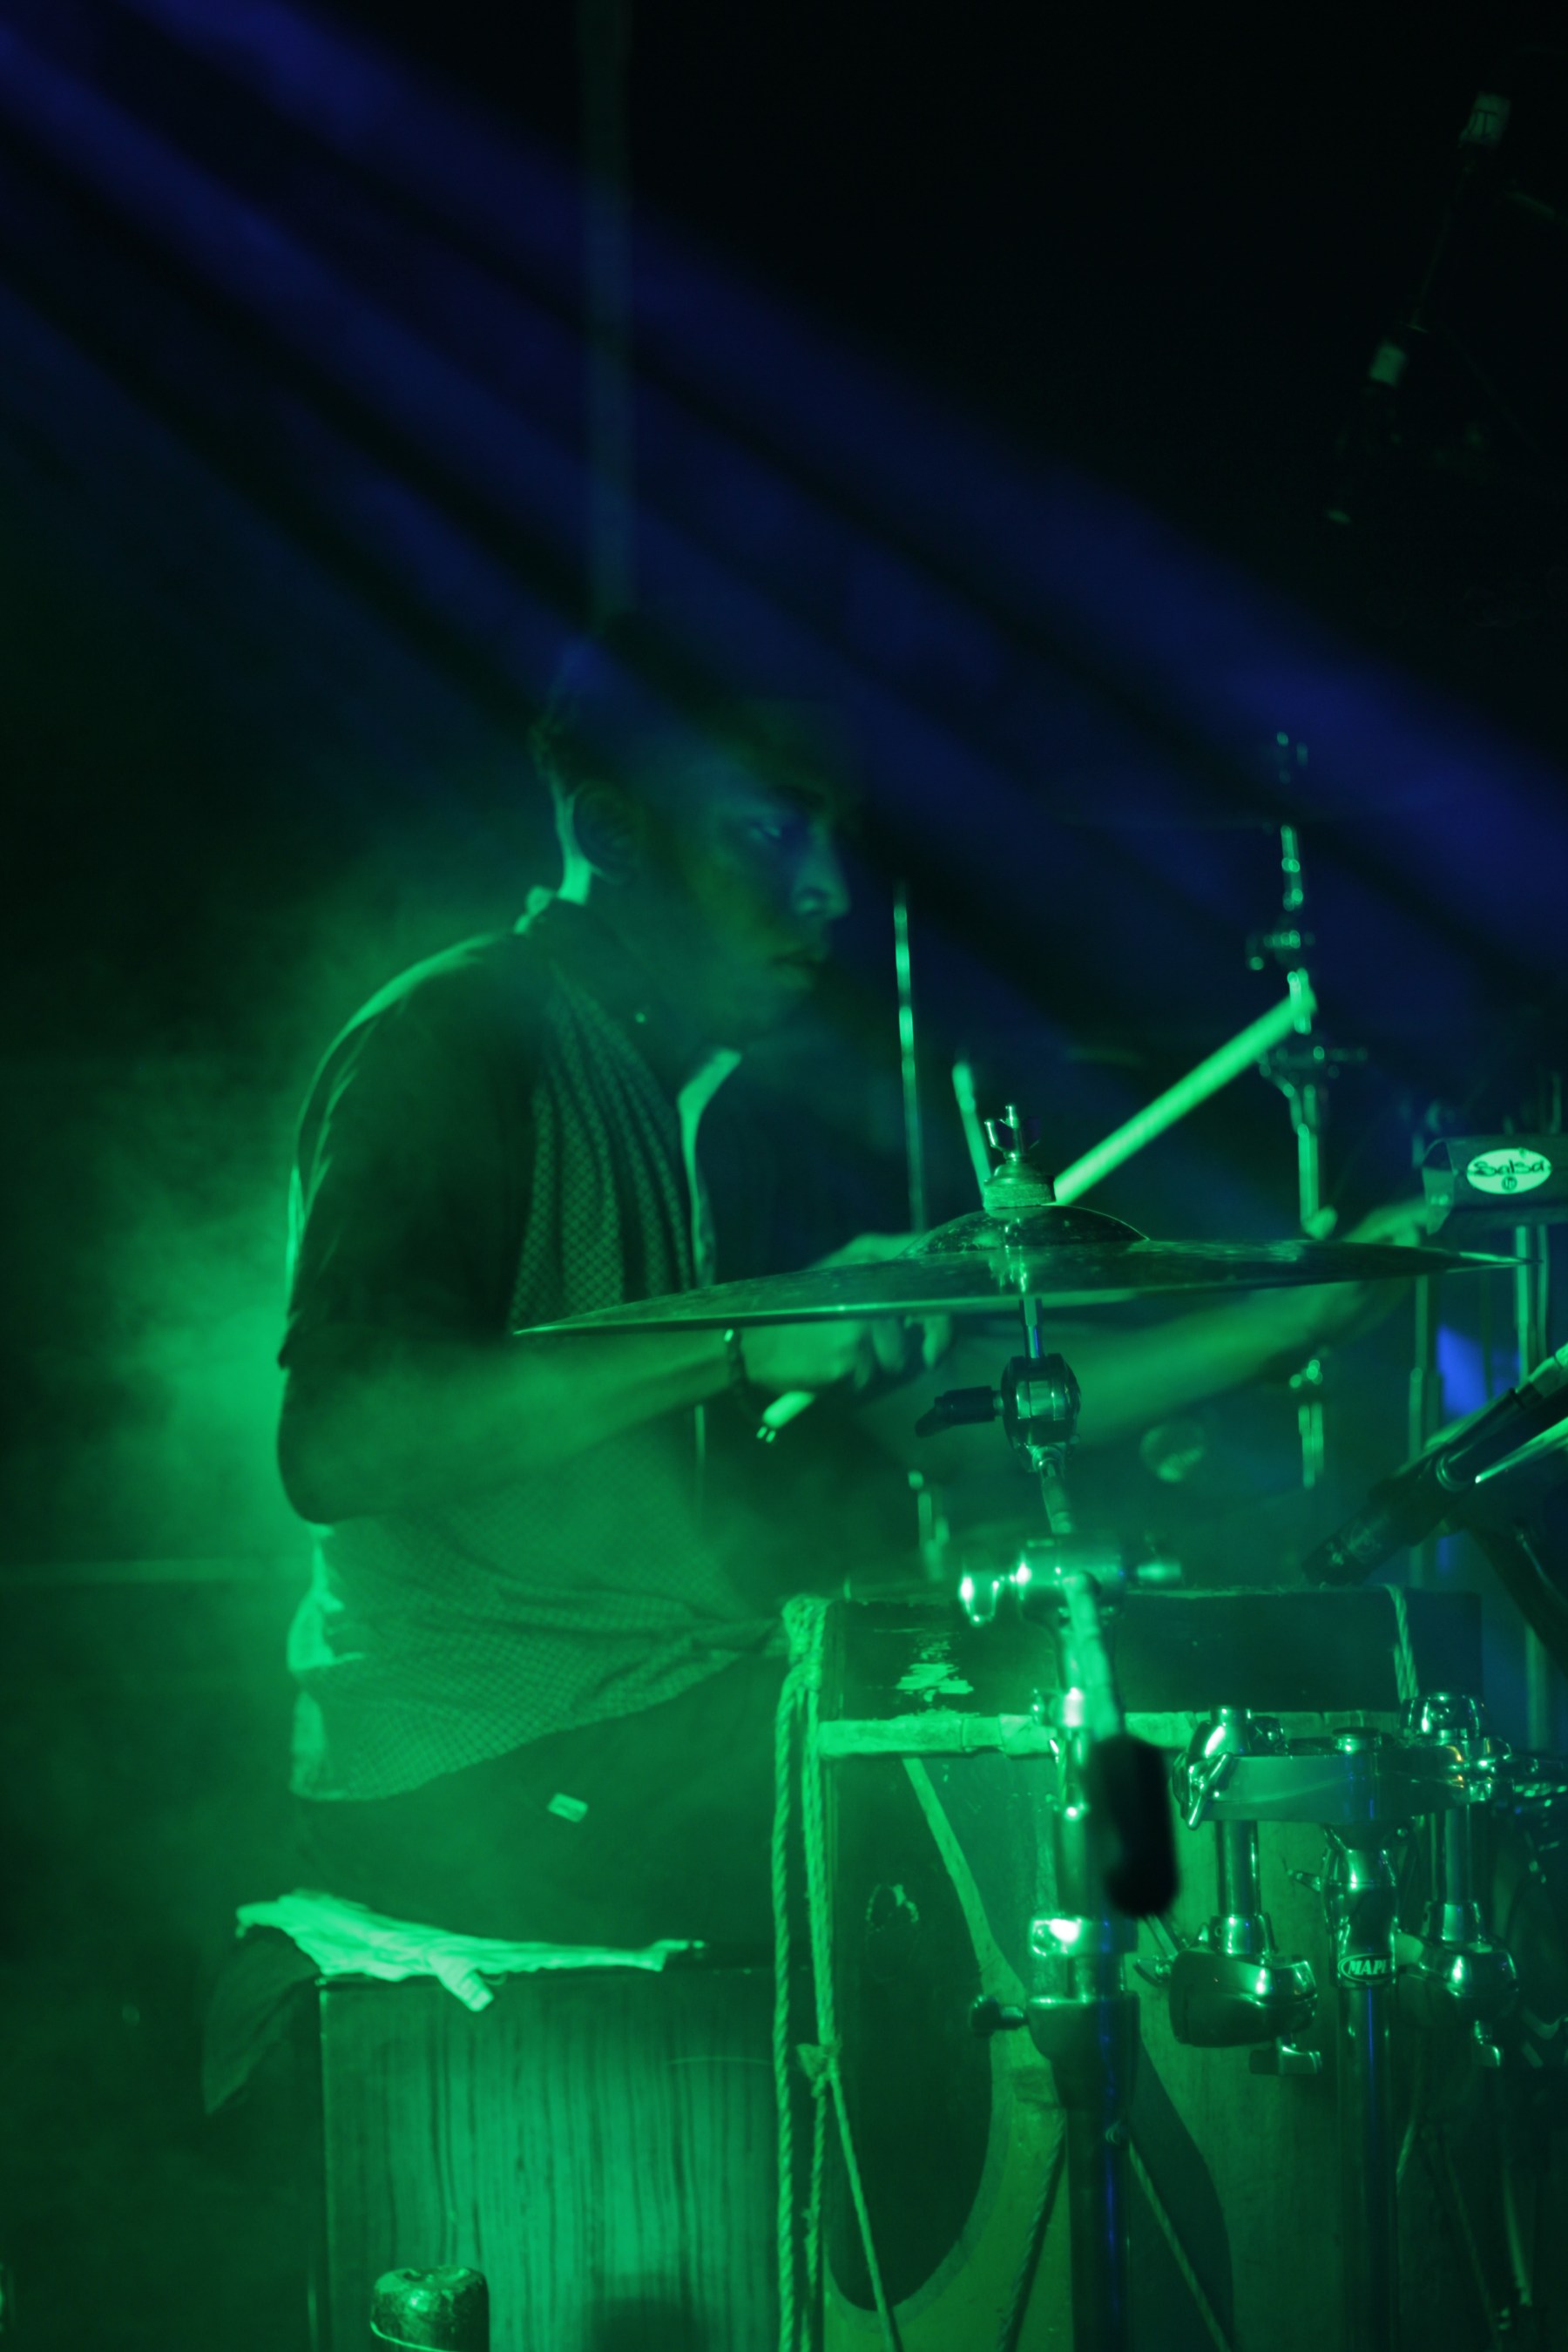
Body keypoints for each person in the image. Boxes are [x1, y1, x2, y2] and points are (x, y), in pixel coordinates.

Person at [274, 618, 1380, 1954]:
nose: (825, 893)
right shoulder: (454, 1037)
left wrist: (1295, 1317)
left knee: (1133, 1717)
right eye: (764, 832)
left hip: (670, 1701)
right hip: (478, 1763)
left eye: (826, 842)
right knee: (1045, 1802)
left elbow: (939, 1420)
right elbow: (341, 1444)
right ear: (614, 832)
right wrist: (746, 1337)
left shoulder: (703, 1103)